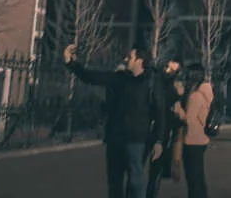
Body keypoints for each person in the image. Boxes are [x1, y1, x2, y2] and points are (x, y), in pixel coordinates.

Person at [63, 43, 166, 198]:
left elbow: (160, 114)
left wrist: (159, 140)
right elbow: (92, 77)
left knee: (135, 180)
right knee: (114, 181)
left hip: (136, 138)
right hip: (115, 137)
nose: (126, 59)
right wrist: (70, 63)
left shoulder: (151, 83)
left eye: (130, 57)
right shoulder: (120, 78)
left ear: (140, 61)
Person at [173, 63, 213, 198]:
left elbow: (189, 119)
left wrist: (178, 108)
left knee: (193, 178)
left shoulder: (195, 96)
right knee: (198, 177)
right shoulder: (204, 93)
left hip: (192, 139)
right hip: (200, 139)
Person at [146, 59, 183, 198]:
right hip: (148, 128)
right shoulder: (156, 82)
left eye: (171, 70)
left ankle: (151, 194)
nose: (167, 71)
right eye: (166, 67)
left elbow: (178, 110)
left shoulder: (173, 88)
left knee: (155, 169)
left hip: (162, 131)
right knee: (137, 168)